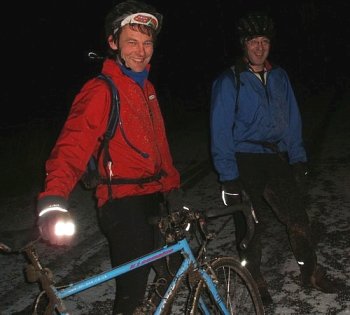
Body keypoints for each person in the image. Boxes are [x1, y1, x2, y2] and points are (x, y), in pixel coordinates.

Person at [36, 1, 181, 314]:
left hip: (154, 197)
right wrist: (53, 199)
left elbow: (160, 148)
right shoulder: (101, 90)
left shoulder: (149, 89)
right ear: (113, 43)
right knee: (132, 292)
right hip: (122, 203)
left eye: (147, 43)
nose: (141, 52)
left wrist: (173, 188)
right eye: (132, 42)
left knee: (173, 273)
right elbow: (72, 146)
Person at [210, 11, 339, 305]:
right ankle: (254, 278)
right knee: (250, 225)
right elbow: (220, 132)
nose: (259, 47)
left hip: (274, 157)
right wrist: (228, 176)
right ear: (244, 44)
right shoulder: (230, 80)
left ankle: (310, 271)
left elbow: (292, 120)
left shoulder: (279, 76)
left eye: (264, 41)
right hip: (244, 159)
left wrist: (298, 158)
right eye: (254, 41)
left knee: (297, 217)